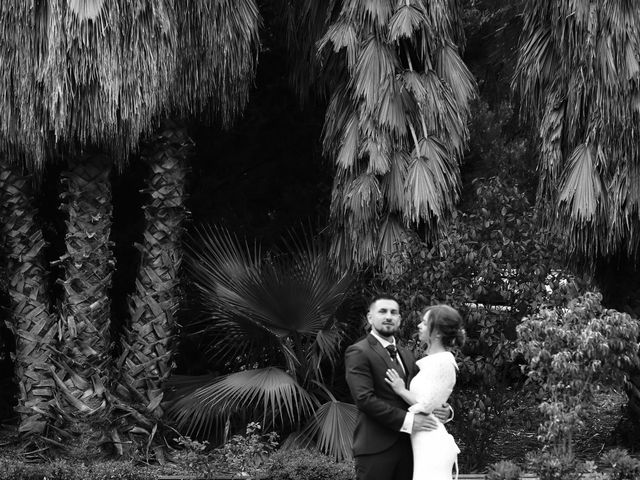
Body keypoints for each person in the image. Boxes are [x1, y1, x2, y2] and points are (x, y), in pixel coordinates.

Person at [345, 295, 453, 480]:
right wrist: (410, 421)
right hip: (376, 449)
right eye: (382, 311)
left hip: (411, 449)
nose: (388, 316)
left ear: (399, 319)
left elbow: (422, 394)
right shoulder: (358, 352)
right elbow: (365, 399)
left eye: (393, 312)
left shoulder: (407, 354)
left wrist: (445, 410)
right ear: (370, 317)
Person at [385, 304, 466, 480]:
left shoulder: (444, 362)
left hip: (431, 442)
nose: (419, 326)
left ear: (437, 332)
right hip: (421, 440)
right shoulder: (430, 361)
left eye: (424, 322)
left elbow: (426, 404)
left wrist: (400, 390)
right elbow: (433, 398)